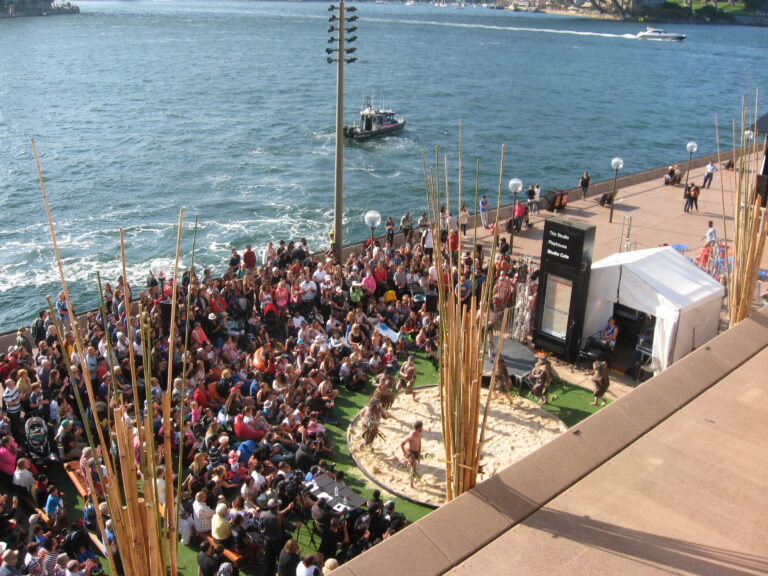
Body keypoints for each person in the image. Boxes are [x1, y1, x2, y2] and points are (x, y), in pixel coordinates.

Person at [400, 421, 423, 487]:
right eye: (421, 427)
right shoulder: (411, 436)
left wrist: (419, 451)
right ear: (419, 428)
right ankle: (411, 484)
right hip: (411, 453)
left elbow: (419, 442)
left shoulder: (419, 433)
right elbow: (402, 444)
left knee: (412, 467)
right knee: (413, 468)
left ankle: (401, 461)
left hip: (416, 452)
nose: (422, 428)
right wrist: (404, 453)